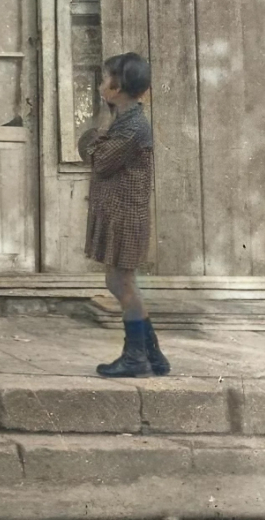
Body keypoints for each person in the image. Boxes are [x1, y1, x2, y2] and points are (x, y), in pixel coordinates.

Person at [81, 51, 169, 378]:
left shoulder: (131, 127)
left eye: (105, 80)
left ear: (117, 87)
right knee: (120, 280)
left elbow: (100, 160)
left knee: (121, 281)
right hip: (118, 212)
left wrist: (93, 139)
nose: (101, 85)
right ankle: (151, 355)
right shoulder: (123, 121)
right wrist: (98, 140)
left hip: (126, 216)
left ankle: (137, 358)